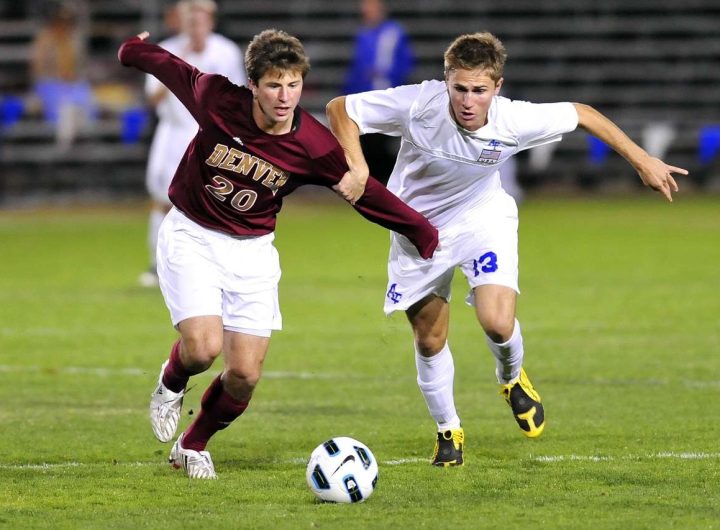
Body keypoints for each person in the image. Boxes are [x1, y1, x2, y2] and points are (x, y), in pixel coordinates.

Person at [326, 31, 687, 467]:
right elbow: (341, 108)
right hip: (416, 229)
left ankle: (512, 378)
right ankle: (448, 429)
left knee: (497, 322)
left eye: (479, 90)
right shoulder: (418, 103)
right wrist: (359, 166)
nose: (468, 101)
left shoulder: (513, 119)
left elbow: (583, 113)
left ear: (497, 87)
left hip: (482, 220)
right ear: (446, 81)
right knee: (429, 338)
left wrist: (642, 160)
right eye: (460, 88)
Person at [118, 29, 438, 479]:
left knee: (244, 375)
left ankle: (192, 445)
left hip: (253, 251)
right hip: (193, 235)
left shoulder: (314, 145)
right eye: (273, 85)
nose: (285, 96)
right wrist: (133, 50)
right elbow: (173, 69)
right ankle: (171, 382)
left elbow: (364, 193)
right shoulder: (217, 98)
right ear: (252, 84)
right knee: (203, 350)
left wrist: (422, 231)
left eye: (293, 84)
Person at [139, 0, 247, 287]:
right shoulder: (167, 50)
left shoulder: (226, 51)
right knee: (164, 199)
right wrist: (179, 64)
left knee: (217, 198)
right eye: (191, 20)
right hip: (175, 133)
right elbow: (153, 99)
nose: (196, 26)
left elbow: (236, 96)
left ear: (211, 21)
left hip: (211, 134)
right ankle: (158, 264)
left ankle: (218, 264)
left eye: (201, 19)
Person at [342, 0, 414, 183]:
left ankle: (386, 183)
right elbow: (357, 67)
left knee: (380, 144)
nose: (366, 13)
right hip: (363, 97)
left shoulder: (393, 32)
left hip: (384, 97)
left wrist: (388, 79)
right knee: (366, 143)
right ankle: (372, 183)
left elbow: (404, 63)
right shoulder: (363, 33)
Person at [30, 1, 94, 148]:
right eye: (61, 21)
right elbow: (37, 69)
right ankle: (65, 143)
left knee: (84, 99)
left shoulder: (75, 39)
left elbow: (82, 66)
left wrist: (73, 76)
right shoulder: (44, 40)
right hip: (49, 84)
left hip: (73, 83)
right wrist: (58, 76)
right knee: (65, 106)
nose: (64, 25)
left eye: (67, 21)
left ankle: (82, 139)